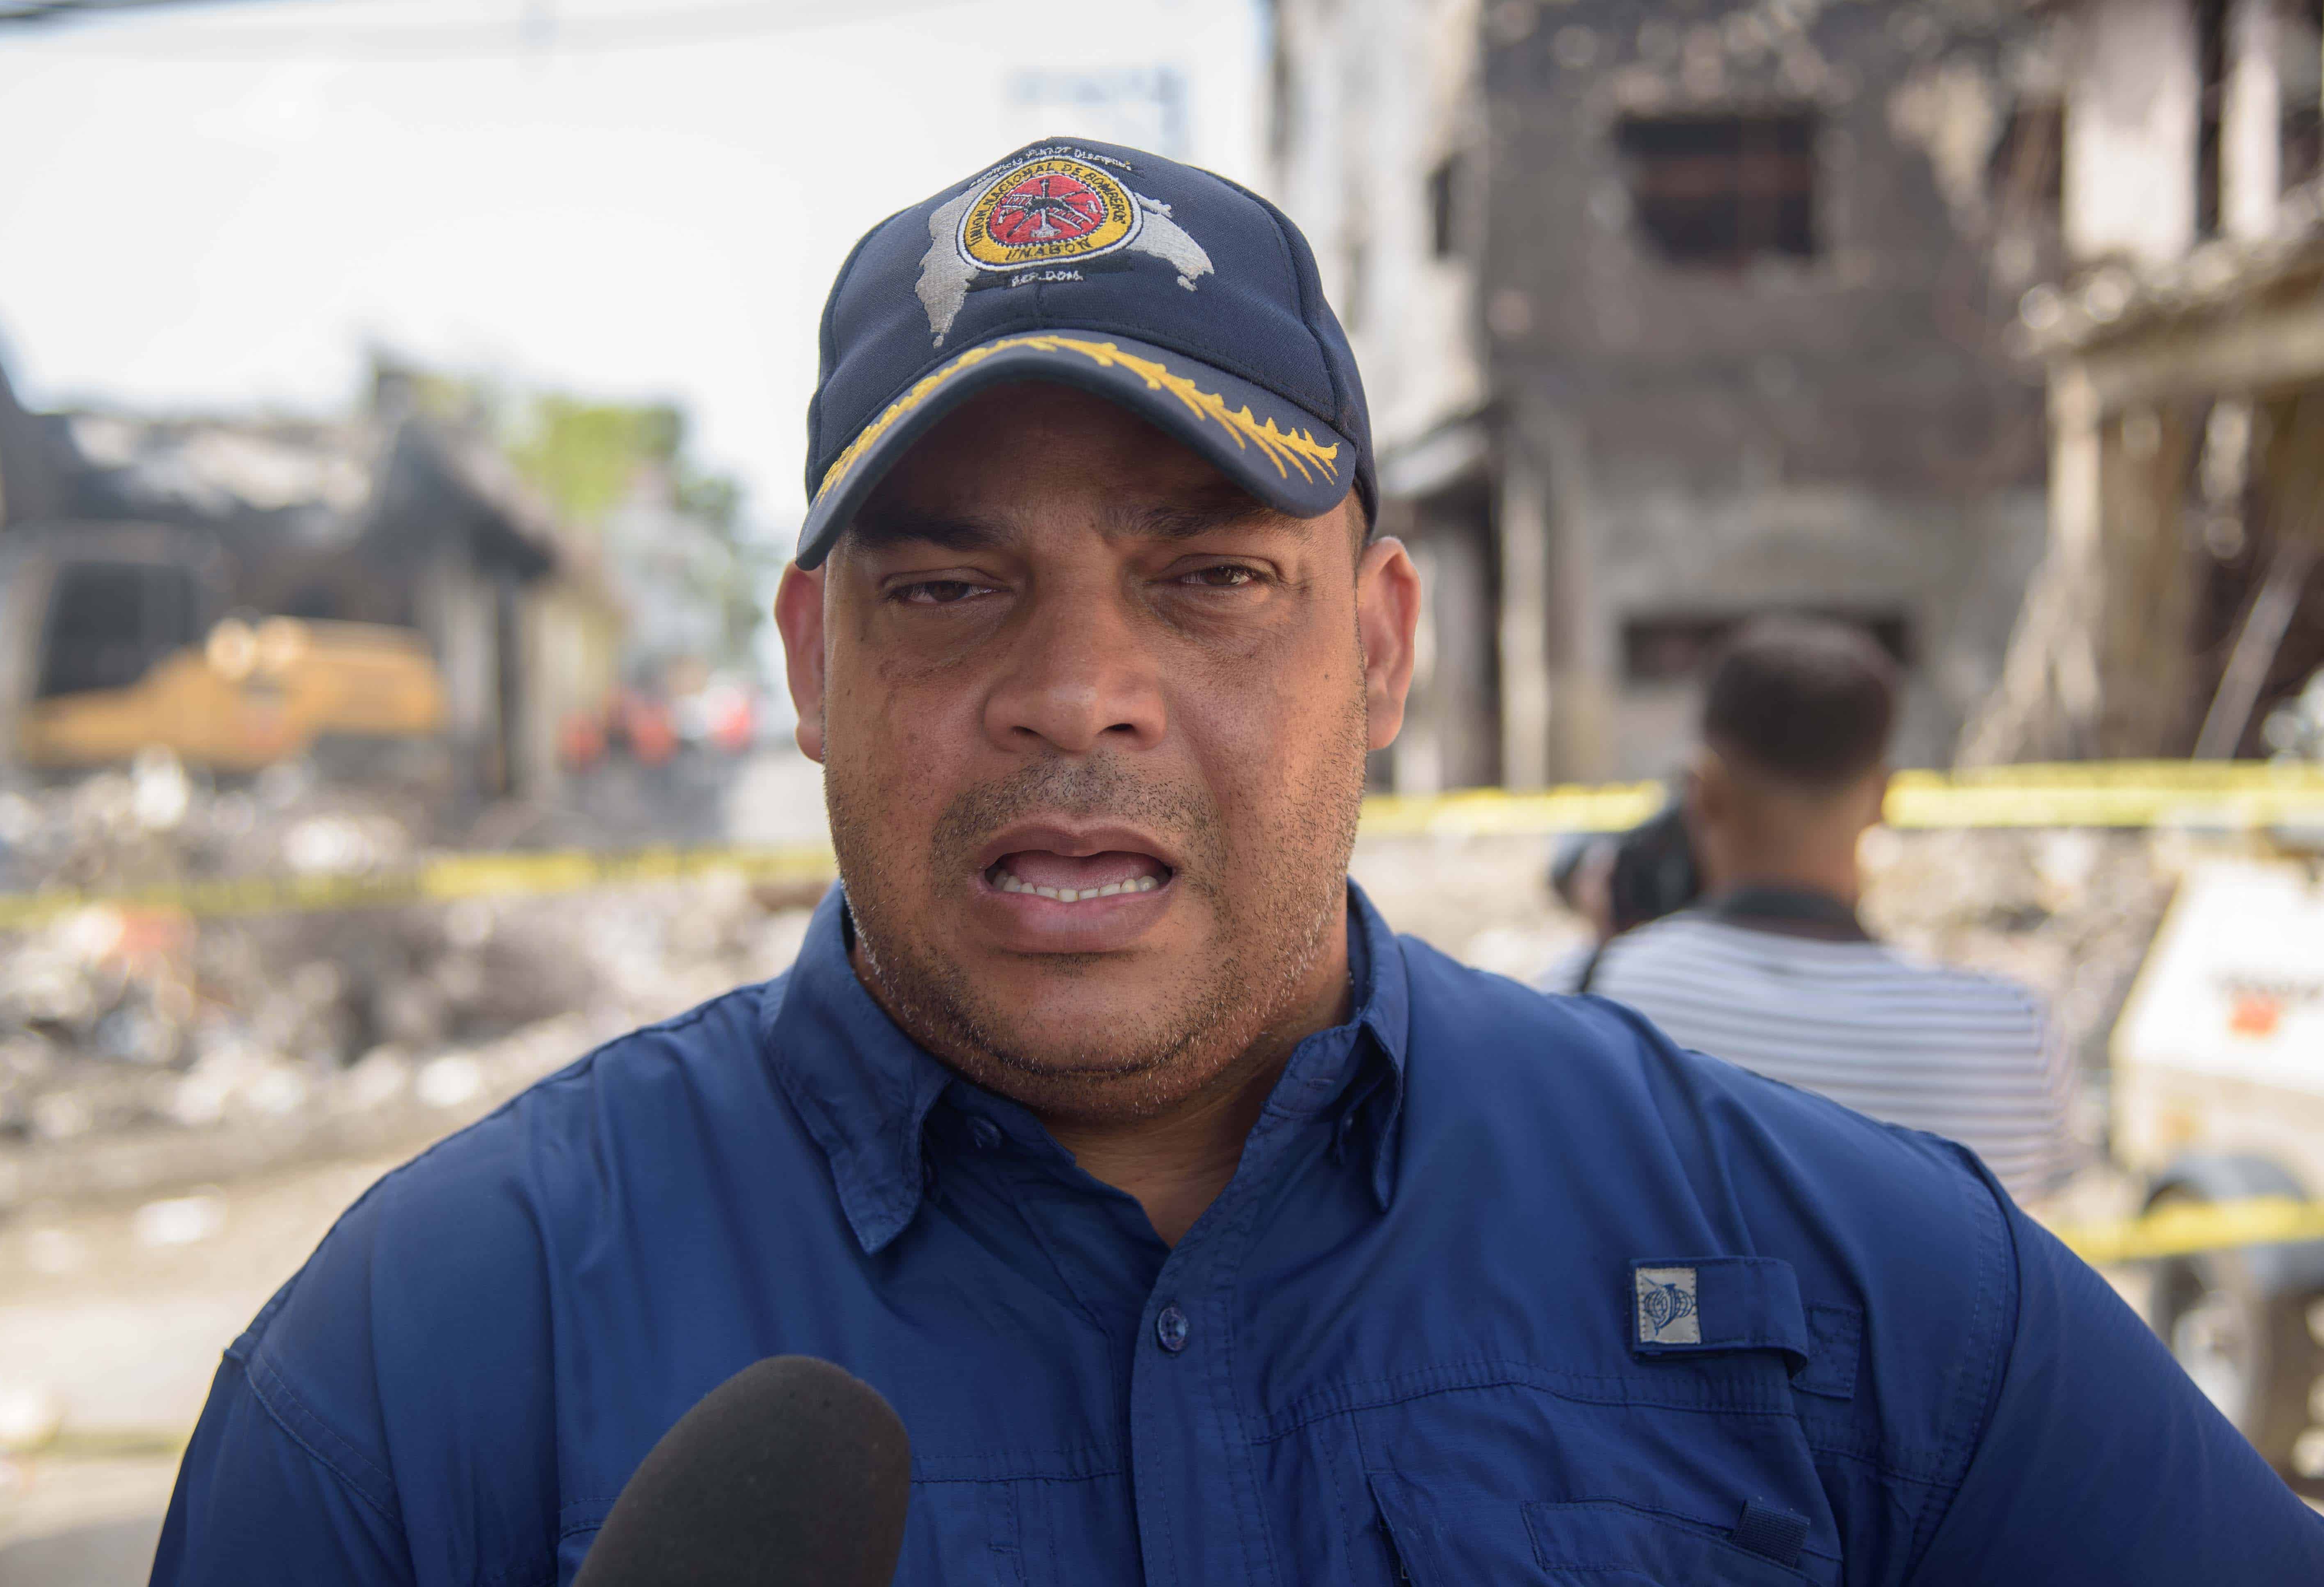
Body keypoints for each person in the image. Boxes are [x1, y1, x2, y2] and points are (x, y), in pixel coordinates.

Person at [150, 139, 2322, 1584]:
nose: (1078, 692)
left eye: (1205, 580)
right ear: (811, 662)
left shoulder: (1843, 1279)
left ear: (1379, 647)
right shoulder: (433, 1348)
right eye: (948, 592)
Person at [1581, 617, 2083, 1207]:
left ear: (1704, 792)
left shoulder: (1595, 1003)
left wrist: (1603, 962)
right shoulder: (2013, 1035)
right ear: (1883, 799)